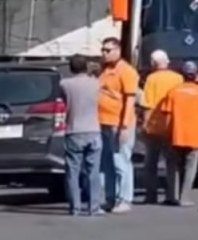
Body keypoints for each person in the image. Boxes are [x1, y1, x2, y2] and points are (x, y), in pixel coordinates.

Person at [160, 61, 198, 207]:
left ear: (182, 75)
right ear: (196, 75)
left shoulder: (173, 92)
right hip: (195, 135)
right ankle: (185, 198)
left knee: (173, 166)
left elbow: (167, 116)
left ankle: (172, 196)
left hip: (176, 134)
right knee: (190, 167)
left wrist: (167, 134)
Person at [97, 37, 140, 213]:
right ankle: (109, 198)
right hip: (103, 122)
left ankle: (124, 199)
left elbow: (130, 100)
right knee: (105, 163)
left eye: (108, 50)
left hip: (119, 123)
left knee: (121, 161)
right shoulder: (104, 70)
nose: (104, 53)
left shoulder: (127, 71)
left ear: (118, 50)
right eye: (103, 50)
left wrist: (124, 126)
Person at [59, 54, 104, 216]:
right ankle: (93, 207)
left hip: (73, 130)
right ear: (86, 67)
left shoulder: (64, 84)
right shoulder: (96, 83)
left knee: (72, 171)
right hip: (93, 129)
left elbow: (64, 101)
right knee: (93, 171)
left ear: (71, 68)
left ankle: (75, 207)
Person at [138, 49, 183, 204]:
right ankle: (172, 195)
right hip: (172, 125)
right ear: (166, 62)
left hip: (155, 126)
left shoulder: (151, 79)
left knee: (151, 163)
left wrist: (145, 125)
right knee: (172, 162)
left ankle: (151, 195)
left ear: (153, 63)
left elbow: (147, 104)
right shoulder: (178, 78)